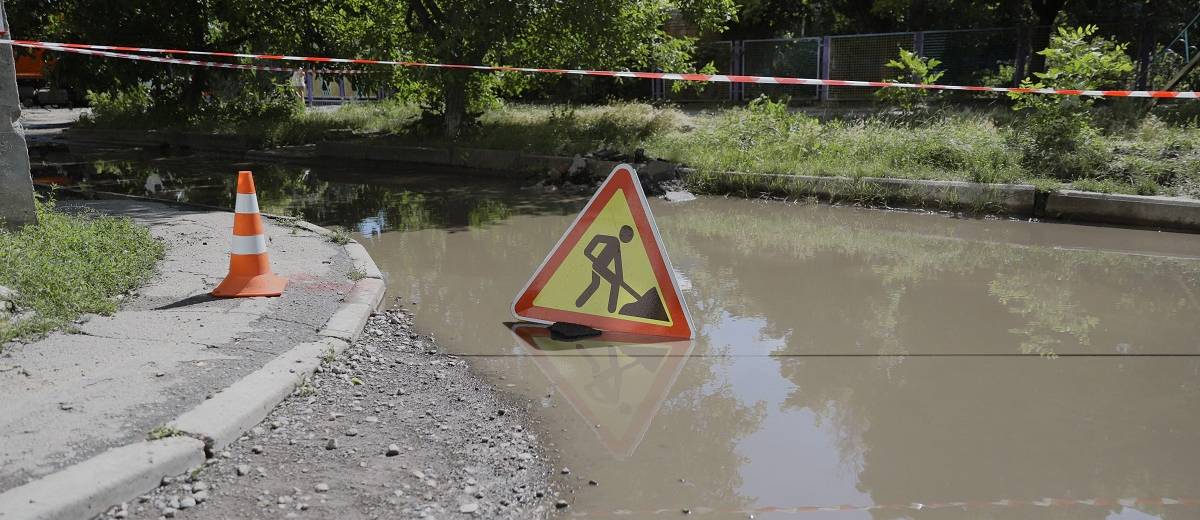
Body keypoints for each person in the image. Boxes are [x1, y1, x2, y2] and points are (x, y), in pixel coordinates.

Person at [575, 225, 635, 312]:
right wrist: (589, 253)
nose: (629, 238)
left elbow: (617, 262)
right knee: (614, 283)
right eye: (628, 235)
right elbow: (597, 238)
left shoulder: (617, 244)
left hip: (599, 267)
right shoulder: (614, 240)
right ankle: (611, 310)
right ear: (621, 234)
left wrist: (620, 277)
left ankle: (578, 304)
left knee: (595, 284)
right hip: (599, 266)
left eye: (630, 236)